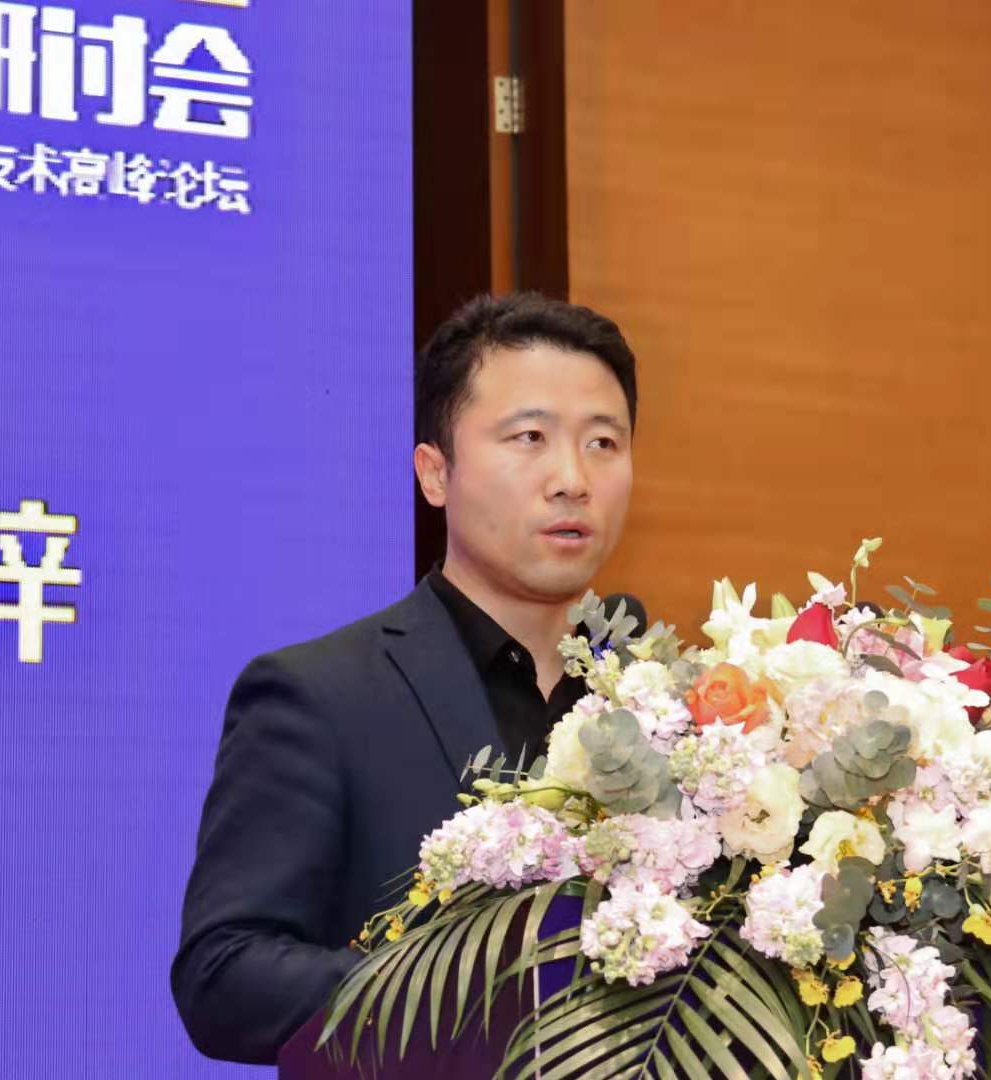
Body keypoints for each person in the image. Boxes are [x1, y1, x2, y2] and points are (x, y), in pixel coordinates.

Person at [170, 291, 639, 1063]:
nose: (571, 478)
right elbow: (224, 977)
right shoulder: (320, 695)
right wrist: (484, 993)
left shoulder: (678, 706)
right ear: (434, 473)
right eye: (529, 437)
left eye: (602, 443)